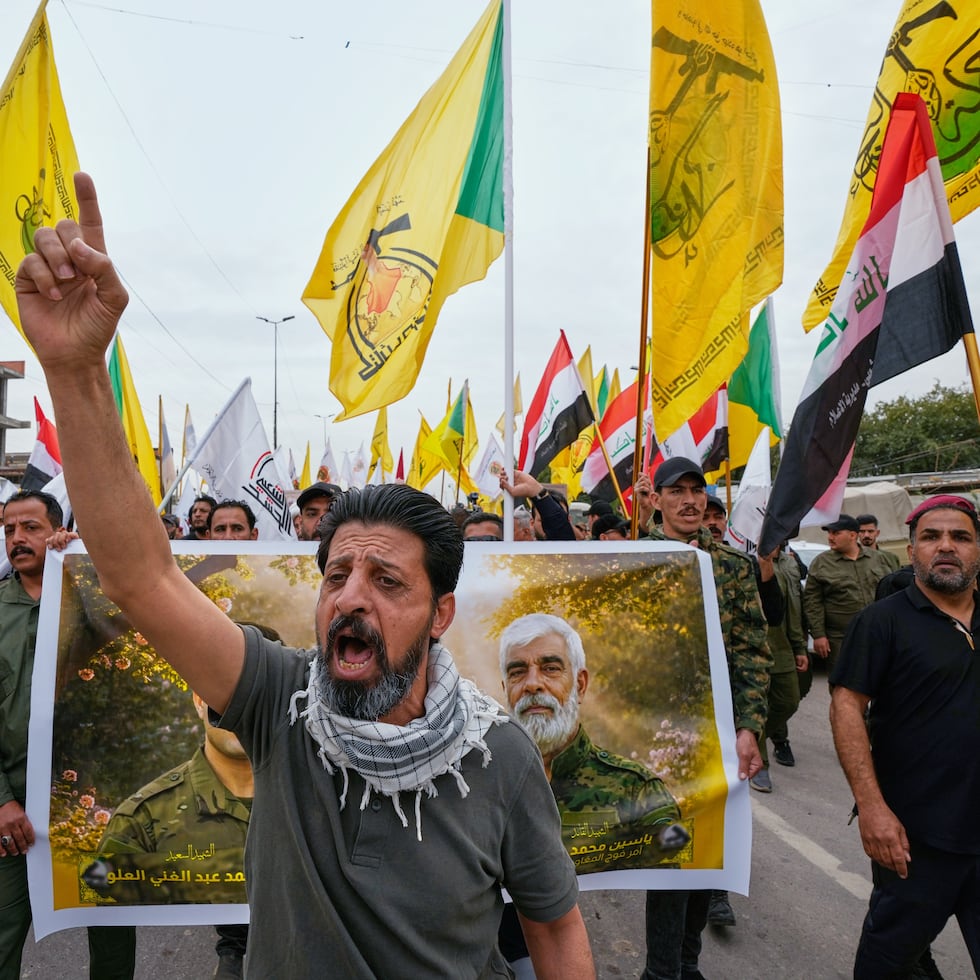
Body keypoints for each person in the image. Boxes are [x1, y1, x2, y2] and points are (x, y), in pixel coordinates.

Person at [15, 172, 594, 978]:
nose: (352, 595)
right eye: (337, 575)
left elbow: (555, 929)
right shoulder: (277, 705)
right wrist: (75, 370)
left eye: (387, 582)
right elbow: (141, 577)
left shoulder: (499, 755)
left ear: (440, 614)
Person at [830, 495, 980, 977]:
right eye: (931, 537)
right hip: (916, 840)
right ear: (912, 550)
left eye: (960, 536)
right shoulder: (883, 621)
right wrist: (872, 807)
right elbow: (846, 707)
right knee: (887, 964)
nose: (946, 547)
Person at [497, 614, 686, 977]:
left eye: (550, 668)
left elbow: (679, 858)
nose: (533, 684)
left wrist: (664, 971)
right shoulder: (477, 780)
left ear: (579, 684)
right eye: (518, 672)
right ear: (505, 687)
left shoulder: (633, 788)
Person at [641, 457, 771, 980]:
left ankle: (687, 963)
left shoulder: (735, 567)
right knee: (671, 852)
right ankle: (661, 969)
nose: (691, 500)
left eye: (698, 490)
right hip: (657, 733)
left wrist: (749, 728)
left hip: (717, 735)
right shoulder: (633, 559)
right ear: (657, 500)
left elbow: (751, 653)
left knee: (707, 856)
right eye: (678, 492)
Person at [87, 693, 253, 980]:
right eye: (225, 692)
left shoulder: (332, 797)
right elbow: (107, 911)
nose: (238, 709)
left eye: (254, 693)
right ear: (199, 700)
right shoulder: (143, 818)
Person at [0, 490, 66, 979]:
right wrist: (2, 801)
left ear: (56, 530)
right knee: (5, 931)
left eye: (31, 528)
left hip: (87, 799)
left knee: (109, 924)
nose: (17, 539)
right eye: (8, 530)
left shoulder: (92, 595)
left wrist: (87, 564)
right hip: (12, 812)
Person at [803, 514, 894, 674]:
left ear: (853, 535)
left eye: (836, 533)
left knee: (884, 679)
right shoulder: (822, 563)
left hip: (879, 633)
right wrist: (818, 635)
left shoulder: (879, 559)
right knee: (843, 683)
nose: (830, 537)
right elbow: (812, 602)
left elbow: (892, 594)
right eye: (829, 533)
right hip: (840, 637)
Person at [750, 543, 808, 792]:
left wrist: (799, 647)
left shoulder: (790, 563)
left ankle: (753, 738)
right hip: (754, 649)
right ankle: (759, 765)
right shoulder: (745, 564)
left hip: (784, 646)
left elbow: (793, 610)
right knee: (757, 707)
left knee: (789, 701)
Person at [499, 470, 576, 542]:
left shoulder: (577, 553)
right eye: (543, 521)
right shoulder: (520, 554)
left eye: (561, 520)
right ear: (532, 523)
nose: (549, 526)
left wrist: (537, 492)